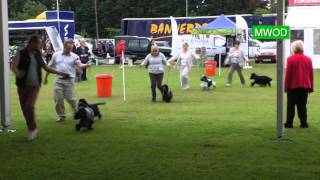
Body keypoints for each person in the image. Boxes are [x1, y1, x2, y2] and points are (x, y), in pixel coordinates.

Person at [11, 36, 67, 140]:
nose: (39, 45)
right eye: (37, 43)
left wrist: (60, 73)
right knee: (24, 109)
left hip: (34, 85)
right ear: (31, 43)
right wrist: (17, 73)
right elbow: (13, 65)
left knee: (29, 106)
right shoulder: (21, 52)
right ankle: (31, 128)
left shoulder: (37, 54)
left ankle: (33, 129)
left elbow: (46, 67)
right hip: (22, 85)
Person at [44, 40, 91, 122]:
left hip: (69, 80)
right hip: (58, 80)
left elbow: (79, 65)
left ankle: (78, 114)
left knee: (71, 99)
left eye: (71, 48)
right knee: (58, 100)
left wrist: (86, 65)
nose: (70, 50)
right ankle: (62, 116)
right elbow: (49, 66)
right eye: (68, 48)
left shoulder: (75, 56)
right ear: (64, 47)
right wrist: (45, 78)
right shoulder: (56, 55)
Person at [284, 40, 313, 128]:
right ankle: (303, 123)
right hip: (305, 86)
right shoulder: (308, 59)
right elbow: (310, 74)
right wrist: (311, 87)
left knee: (290, 106)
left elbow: (288, 74)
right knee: (302, 106)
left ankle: (289, 123)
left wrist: (286, 87)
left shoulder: (290, 59)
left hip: (293, 86)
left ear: (293, 48)